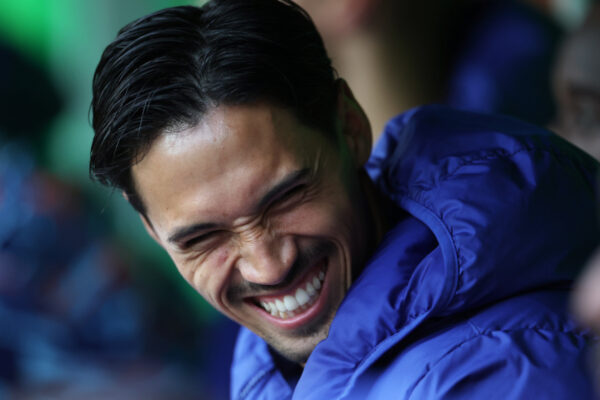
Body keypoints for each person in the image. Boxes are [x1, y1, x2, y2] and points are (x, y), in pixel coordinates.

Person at [89, 1, 599, 398]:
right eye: (203, 237)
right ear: (152, 231)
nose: (267, 266)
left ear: (351, 129)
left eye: (287, 197)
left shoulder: (494, 378)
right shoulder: (273, 359)